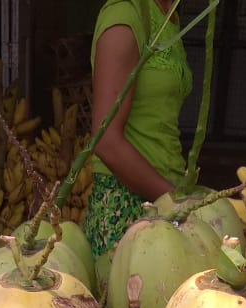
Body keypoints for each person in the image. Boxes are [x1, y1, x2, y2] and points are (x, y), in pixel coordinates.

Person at [82, 0, 193, 258]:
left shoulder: (169, 15)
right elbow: (106, 140)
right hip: (128, 206)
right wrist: (175, 200)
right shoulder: (124, 17)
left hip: (166, 198)